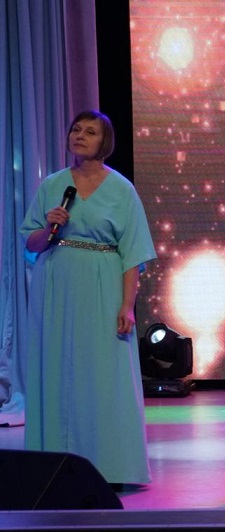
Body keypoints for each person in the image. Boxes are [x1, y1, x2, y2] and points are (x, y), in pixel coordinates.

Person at [19, 109, 157, 488]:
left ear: (104, 141)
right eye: (76, 129)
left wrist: (127, 305)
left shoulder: (122, 190)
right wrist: (49, 226)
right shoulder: (52, 184)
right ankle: (53, 465)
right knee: (57, 369)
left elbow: (133, 253)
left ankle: (110, 466)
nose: (79, 135)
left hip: (103, 284)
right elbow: (32, 243)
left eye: (90, 131)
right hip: (56, 285)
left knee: (103, 373)